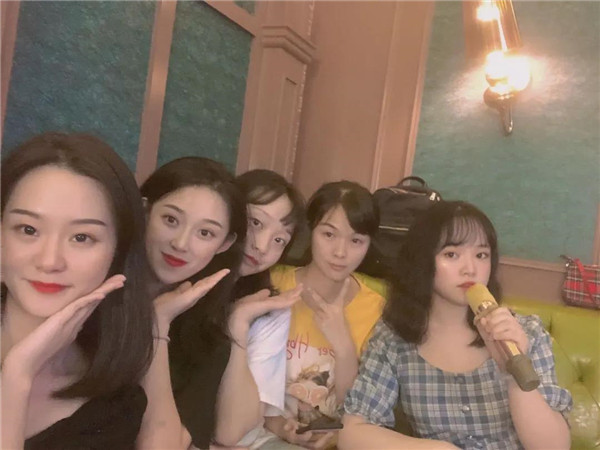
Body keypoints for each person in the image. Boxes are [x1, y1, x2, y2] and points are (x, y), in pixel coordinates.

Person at [339, 201, 573, 450]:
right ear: (422, 261)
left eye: (481, 255)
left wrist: (514, 373)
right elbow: (353, 433)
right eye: (451, 254)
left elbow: (555, 447)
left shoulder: (526, 332)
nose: (470, 269)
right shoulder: (393, 339)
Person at [1, 132, 154, 449]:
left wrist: (16, 378)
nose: (49, 261)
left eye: (82, 237)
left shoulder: (115, 409)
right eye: (28, 230)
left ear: (117, 254)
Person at [264, 180, 385, 449]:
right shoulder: (272, 284)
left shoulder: (377, 310)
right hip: (264, 436)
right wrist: (280, 428)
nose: (340, 252)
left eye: (356, 240)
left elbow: (360, 412)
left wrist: (343, 345)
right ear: (311, 230)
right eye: (329, 234)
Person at [136, 157, 247, 450]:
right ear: (145, 211)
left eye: (205, 233)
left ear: (224, 244)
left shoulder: (209, 340)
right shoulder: (92, 294)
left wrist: (158, 325)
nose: (181, 243)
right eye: (171, 220)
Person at [214, 169, 306, 449]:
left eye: (280, 240)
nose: (262, 246)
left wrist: (238, 324)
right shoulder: (182, 280)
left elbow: (232, 432)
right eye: (255, 222)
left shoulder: (270, 310)